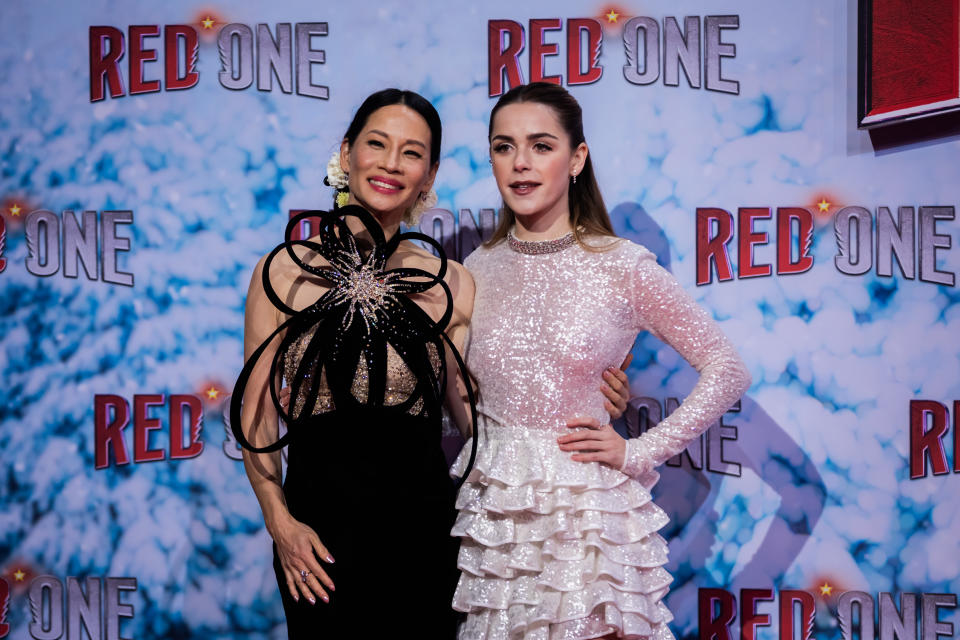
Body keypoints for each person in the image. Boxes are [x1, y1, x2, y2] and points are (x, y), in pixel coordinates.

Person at [231, 88, 632, 638]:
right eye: (377, 143)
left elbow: (480, 412)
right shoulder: (282, 272)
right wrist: (280, 523)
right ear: (346, 154)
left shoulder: (451, 282)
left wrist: (585, 393)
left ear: (430, 173)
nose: (391, 163)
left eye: (412, 152)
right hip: (317, 540)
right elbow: (254, 418)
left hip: (425, 534)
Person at [450, 82, 752, 640]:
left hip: (588, 530)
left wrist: (638, 451)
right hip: (499, 532)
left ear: (577, 158)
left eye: (541, 146)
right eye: (503, 146)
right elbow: (466, 397)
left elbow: (727, 369)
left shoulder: (622, 265)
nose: (520, 163)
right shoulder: (475, 268)